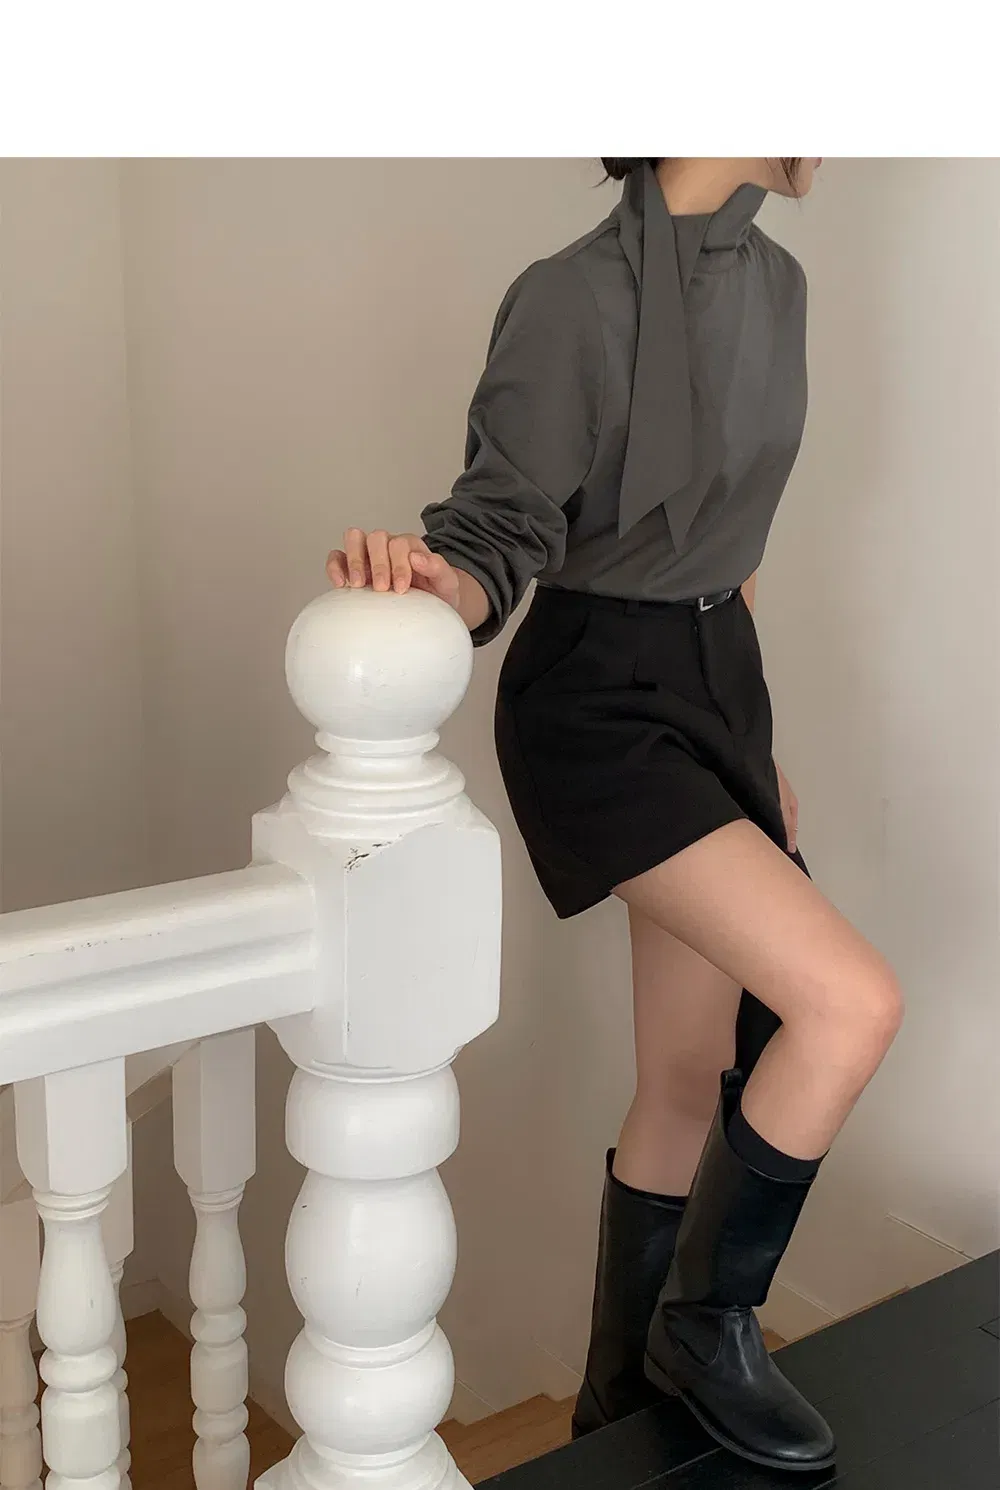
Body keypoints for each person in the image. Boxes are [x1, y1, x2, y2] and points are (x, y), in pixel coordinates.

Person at [326, 157, 903, 1475]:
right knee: (849, 1004)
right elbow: (495, 536)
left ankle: (615, 1409)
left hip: (717, 686)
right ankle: (706, 1325)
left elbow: (730, 546)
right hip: (596, 701)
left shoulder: (780, 286)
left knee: (686, 1076)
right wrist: (429, 578)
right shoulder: (569, 298)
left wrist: (754, 744)